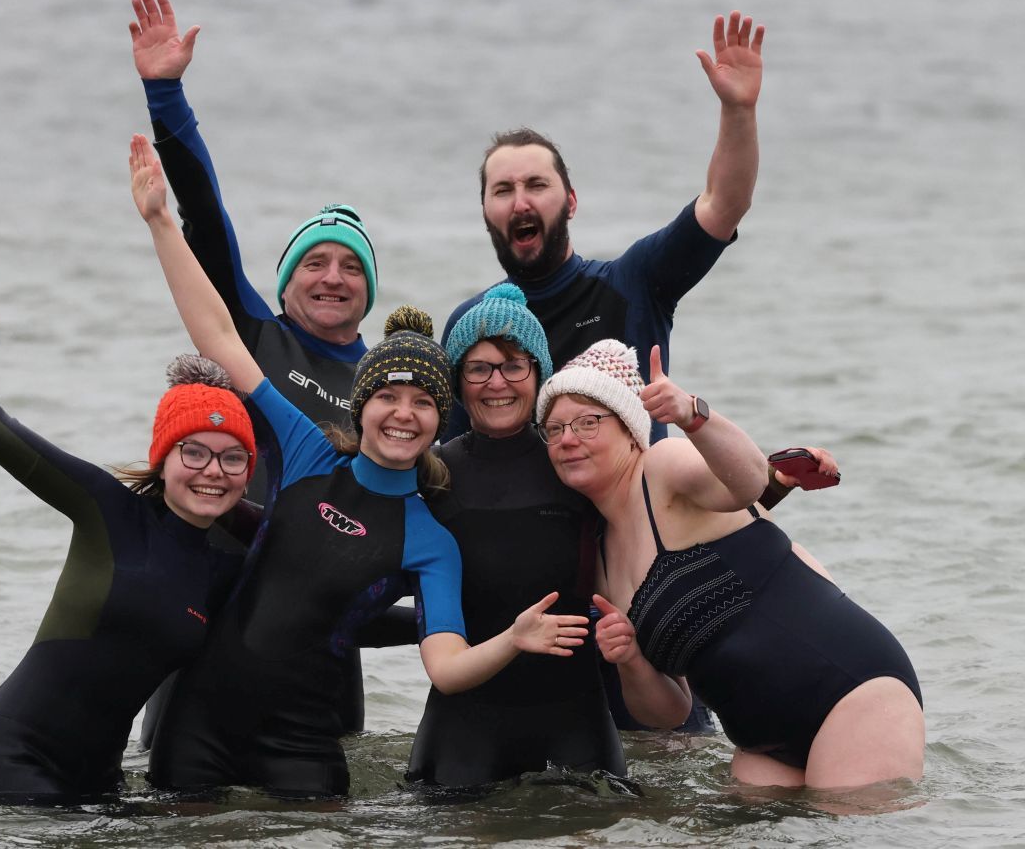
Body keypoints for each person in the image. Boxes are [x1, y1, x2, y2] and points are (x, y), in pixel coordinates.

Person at [130, 135, 587, 798]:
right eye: (387, 397)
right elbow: (219, 335)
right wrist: (159, 221)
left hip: (306, 743)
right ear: (361, 404)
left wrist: (513, 637)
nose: (403, 414)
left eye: (423, 402)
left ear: (441, 418)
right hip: (202, 723)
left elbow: (448, 666)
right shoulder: (311, 448)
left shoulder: (430, 535)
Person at [0, 274, 263, 805]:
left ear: (246, 472)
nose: (212, 471)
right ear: (162, 459)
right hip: (12, 759)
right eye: (193, 452)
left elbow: (327, 595)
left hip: (101, 782)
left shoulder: (225, 571)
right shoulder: (107, 508)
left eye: (232, 457)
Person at [129, 0, 382, 735]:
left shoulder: (390, 391)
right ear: (285, 281)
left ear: (369, 290)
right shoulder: (251, 335)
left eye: (351, 266)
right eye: (315, 262)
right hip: (213, 598)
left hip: (326, 631)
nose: (332, 276)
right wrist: (165, 93)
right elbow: (205, 213)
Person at [536, 339, 925, 789]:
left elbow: (749, 483)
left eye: (587, 423)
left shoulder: (662, 469)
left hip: (852, 692)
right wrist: (630, 661)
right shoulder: (600, 559)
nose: (567, 439)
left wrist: (692, 415)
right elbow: (670, 712)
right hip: (761, 747)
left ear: (628, 428)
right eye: (554, 428)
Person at [442, 10, 766, 446]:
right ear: (485, 212)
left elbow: (724, 204)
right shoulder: (470, 325)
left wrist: (738, 110)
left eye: (537, 185)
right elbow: (447, 458)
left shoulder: (634, 282)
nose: (521, 202)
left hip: (635, 508)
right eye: (503, 190)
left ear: (571, 202)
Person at [408, 283, 628, 787]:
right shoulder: (433, 473)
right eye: (478, 368)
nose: (496, 383)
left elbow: (658, 522)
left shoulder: (574, 462)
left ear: (538, 374)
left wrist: (763, 492)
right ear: (459, 382)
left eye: (513, 366)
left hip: (574, 715)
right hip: (465, 723)